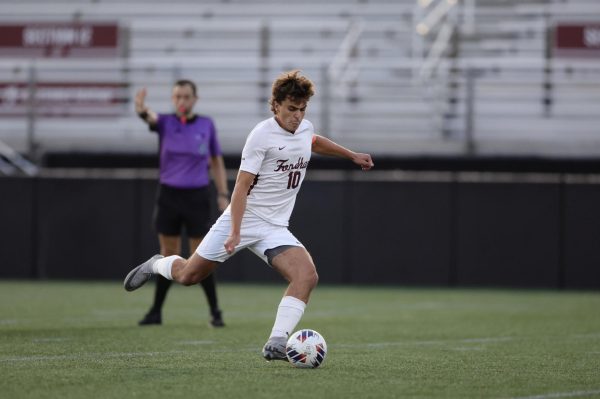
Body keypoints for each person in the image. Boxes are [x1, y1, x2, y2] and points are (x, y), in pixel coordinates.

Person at [125, 70, 374, 360]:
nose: (298, 115)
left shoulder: (304, 128)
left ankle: (277, 342)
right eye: (292, 109)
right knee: (189, 276)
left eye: (302, 109)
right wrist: (234, 231)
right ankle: (158, 263)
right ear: (276, 105)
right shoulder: (261, 135)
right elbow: (241, 188)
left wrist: (352, 155)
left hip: (275, 227)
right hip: (241, 219)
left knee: (306, 276)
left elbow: (314, 141)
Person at [134, 79, 229, 328]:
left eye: (186, 96)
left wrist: (223, 193)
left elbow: (216, 161)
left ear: (195, 99)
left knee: (201, 257)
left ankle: (215, 312)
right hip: (169, 196)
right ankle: (156, 312)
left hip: (196, 196)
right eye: (177, 97)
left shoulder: (206, 125)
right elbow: (149, 117)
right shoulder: (166, 122)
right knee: (168, 255)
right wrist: (141, 109)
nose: (182, 101)